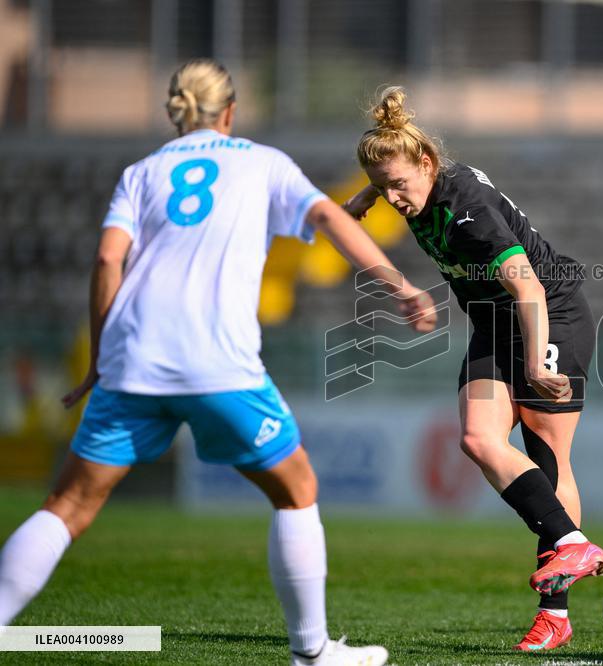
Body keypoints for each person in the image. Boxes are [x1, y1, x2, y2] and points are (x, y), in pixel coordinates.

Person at [0, 59, 437, 666]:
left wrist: (100, 358)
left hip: (135, 357)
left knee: (67, 506)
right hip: (216, 360)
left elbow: (107, 261)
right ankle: (311, 654)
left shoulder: (141, 173)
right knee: (296, 488)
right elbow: (331, 217)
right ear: (229, 111)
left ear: (175, 112)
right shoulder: (262, 164)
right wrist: (399, 286)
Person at [343, 86, 603, 652]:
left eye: (398, 186)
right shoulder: (414, 177)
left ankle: (554, 615)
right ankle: (572, 543)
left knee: (547, 454)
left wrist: (537, 362)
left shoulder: (468, 210)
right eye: (382, 187)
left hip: (549, 315)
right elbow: (395, 171)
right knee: (476, 438)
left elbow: (529, 285)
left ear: (427, 164)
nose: (392, 199)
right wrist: (370, 192)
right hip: (493, 321)